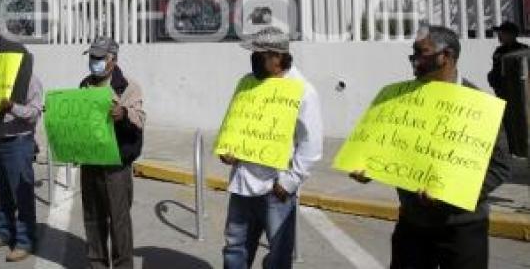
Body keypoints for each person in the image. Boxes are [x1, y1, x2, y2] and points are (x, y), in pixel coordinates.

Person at [350, 25, 511, 269]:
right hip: (412, 224)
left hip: (462, 226)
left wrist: (451, 192)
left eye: (421, 53)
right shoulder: (400, 98)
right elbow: (386, 147)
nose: (414, 60)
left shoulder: (480, 107)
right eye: (413, 53)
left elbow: (499, 167)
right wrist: (368, 169)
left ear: (445, 56)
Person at [220, 26, 322, 269]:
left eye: (259, 54)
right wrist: (228, 150)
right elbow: (234, 123)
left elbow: (311, 145)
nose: (252, 59)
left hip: (275, 190)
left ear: (277, 57)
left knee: (277, 257)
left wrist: (288, 182)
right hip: (243, 185)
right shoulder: (248, 83)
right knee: (235, 249)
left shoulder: (303, 91)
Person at [78, 36, 145, 269]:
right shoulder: (85, 84)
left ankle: (122, 265)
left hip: (116, 166)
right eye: (92, 57)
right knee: (92, 218)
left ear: (112, 60)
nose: (94, 62)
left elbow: (139, 120)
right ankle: (97, 263)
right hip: (90, 162)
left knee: (119, 222)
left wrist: (123, 114)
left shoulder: (127, 86)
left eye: (99, 58)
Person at [0, 37, 43, 263]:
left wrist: (11, 107)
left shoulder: (30, 80)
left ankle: (25, 240)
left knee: (21, 193)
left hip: (18, 141)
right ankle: (4, 231)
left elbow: (35, 112)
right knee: (3, 193)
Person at [487, 21, 529, 156]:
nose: (499, 36)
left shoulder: (524, 49)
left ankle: (524, 149)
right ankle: (514, 150)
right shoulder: (499, 51)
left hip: (522, 95)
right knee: (508, 122)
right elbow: (495, 71)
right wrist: (494, 83)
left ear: (512, 35)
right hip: (505, 93)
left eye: (502, 33)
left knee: (523, 122)